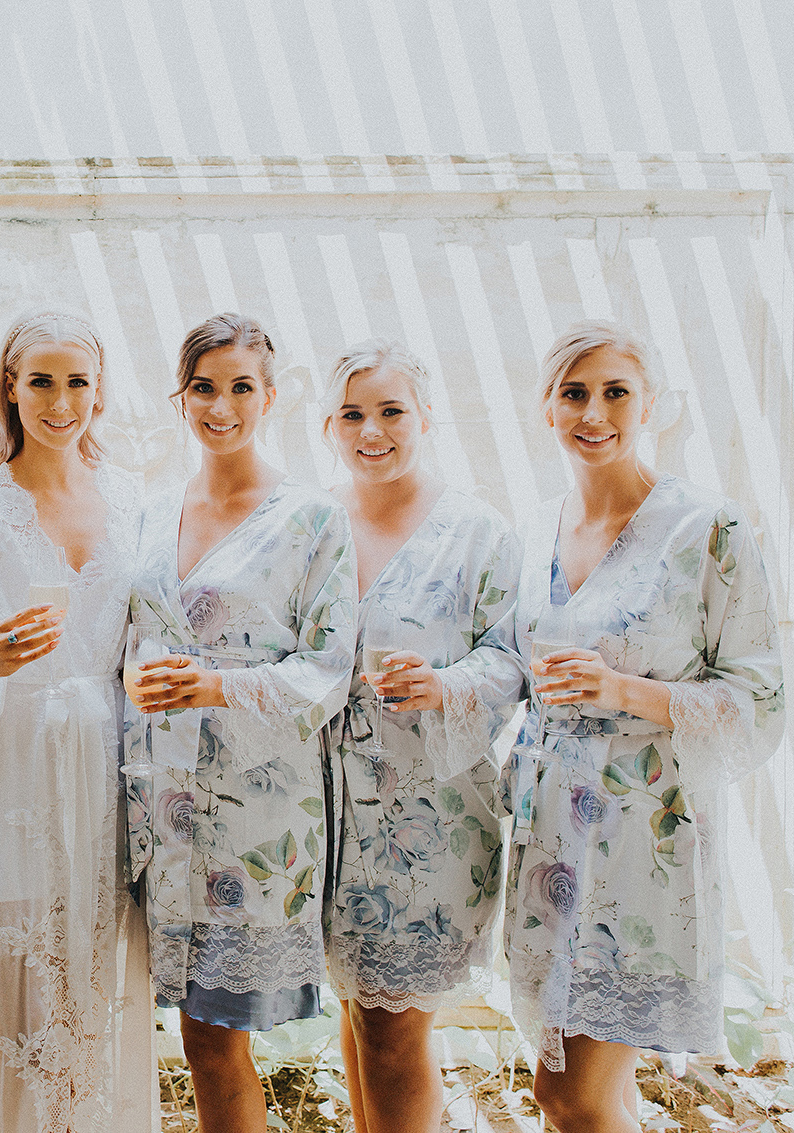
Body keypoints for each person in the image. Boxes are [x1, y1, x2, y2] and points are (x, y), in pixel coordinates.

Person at [503, 321, 784, 1132]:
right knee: (603, 1092)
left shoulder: (708, 528)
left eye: (616, 392)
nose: (594, 412)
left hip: (646, 841)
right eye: (574, 393)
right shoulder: (535, 528)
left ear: (650, 404)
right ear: (547, 408)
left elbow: (758, 695)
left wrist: (622, 689)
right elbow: (512, 663)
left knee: (570, 1095)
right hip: (549, 836)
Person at [0, 311, 155, 1133]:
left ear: (100, 390)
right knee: (21, 1029)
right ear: (11, 389)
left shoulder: (132, 499)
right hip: (10, 770)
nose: (61, 402)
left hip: (104, 775)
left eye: (77, 382)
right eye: (42, 382)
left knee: (87, 1024)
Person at [122, 314, 355, 1133]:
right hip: (160, 805)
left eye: (240, 387)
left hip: (258, 810)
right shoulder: (151, 512)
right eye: (203, 387)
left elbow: (328, 669)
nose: (220, 406)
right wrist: (136, 673)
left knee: (219, 1033)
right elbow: (132, 635)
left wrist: (215, 686)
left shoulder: (312, 519)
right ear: (179, 397)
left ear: (271, 397)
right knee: (194, 1035)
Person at [317, 340, 523, 1133]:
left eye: (391, 411)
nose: (372, 430)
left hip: (428, 819)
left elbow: (512, 659)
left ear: (426, 417)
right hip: (326, 811)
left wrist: (445, 685)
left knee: (393, 1027)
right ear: (329, 425)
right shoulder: (310, 524)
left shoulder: (477, 531)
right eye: (352, 414)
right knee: (358, 1010)